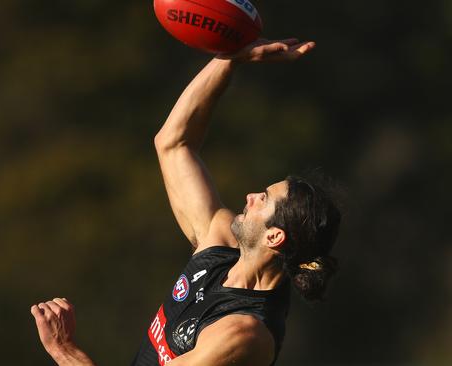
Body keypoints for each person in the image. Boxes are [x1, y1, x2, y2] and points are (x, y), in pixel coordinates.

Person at [31, 37, 341, 366]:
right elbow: (173, 143)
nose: (250, 197)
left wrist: (64, 350)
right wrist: (231, 59)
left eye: (263, 199)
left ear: (274, 236)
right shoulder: (220, 243)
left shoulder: (243, 333)